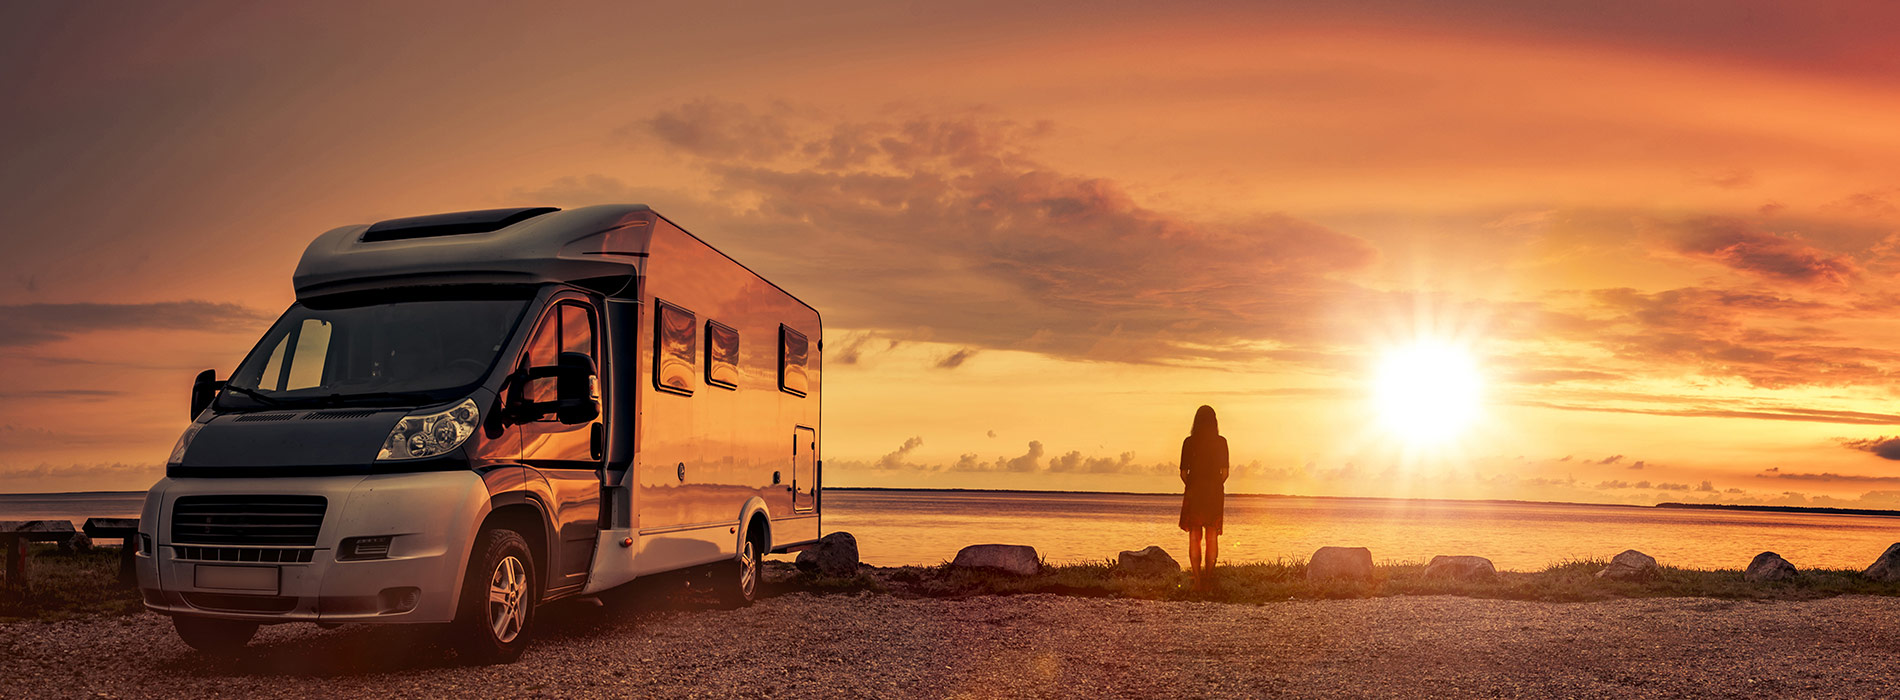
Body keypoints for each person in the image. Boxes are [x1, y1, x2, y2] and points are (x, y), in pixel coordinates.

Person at [1178, 405, 1229, 592]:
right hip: (1214, 492)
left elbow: (1183, 473)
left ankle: (1198, 581)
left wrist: (1191, 486)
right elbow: (1225, 473)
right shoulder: (1221, 442)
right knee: (1212, 536)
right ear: (1214, 421)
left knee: (1194, 537)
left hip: (1195, 491)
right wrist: (1216, 485)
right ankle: (1208, 578)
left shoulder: (1189, 442)